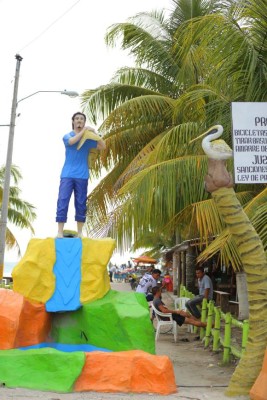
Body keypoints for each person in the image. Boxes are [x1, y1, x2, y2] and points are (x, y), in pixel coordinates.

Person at [56, 112, 106, 238]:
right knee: (63, 200)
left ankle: (79, 233)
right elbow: (72, 142)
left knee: (81, 203)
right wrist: (84, 131)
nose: (79, 120)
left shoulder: (88, 140)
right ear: (73, 121)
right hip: (67, 174)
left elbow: (102, 146)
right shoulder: (67, 136)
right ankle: (59, 232)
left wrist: (94, 133)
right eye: (77, 119)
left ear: (84, 122)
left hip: (82, 175)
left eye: (82, 119)